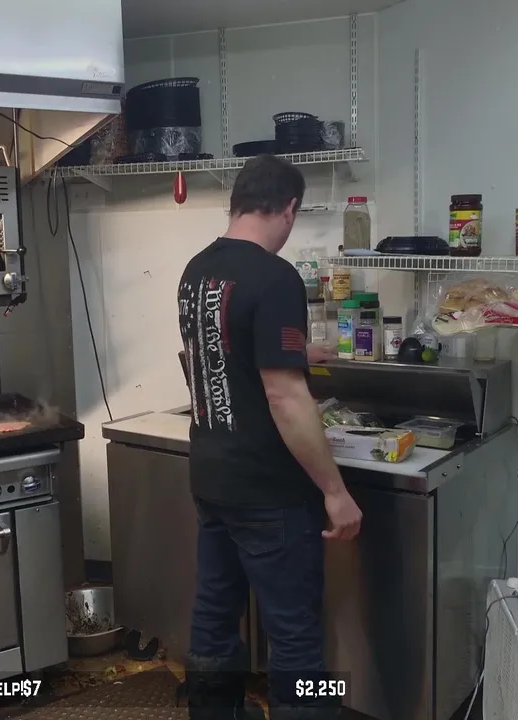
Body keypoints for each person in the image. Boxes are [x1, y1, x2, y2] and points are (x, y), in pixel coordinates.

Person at [176, 154, 363, 720]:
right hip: (270, 492)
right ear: (289, 208)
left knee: (214, 614)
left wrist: (298, 350)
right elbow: (285, 397)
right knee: (296, 633)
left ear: (237, 204)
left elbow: (219, 348)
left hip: (212, 478)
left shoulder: (196, 270)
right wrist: (335, 491)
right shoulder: (275, 276)